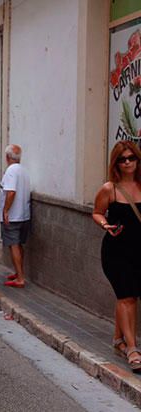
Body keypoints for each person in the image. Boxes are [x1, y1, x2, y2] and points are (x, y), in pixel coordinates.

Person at [93, 141, 141, 373]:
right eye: (123, 159)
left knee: (131, 296)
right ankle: (132, 348)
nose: (128, 163)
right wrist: (105, 224)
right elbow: (97, 212)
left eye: (132, 158)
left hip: (139, 251)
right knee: (126, 297)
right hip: (116, 250)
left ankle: (118, 340)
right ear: (116, 163)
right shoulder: (109, 189)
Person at [0, 144, 31, 288]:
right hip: (24, 214)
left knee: (14, 245)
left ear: (7, 157)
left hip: (13, 216)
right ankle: (19, 272)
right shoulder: (23, 170)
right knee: (18, 245)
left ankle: (20, 278)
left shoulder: (11, 171)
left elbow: (11, 192)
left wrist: (6, 210)